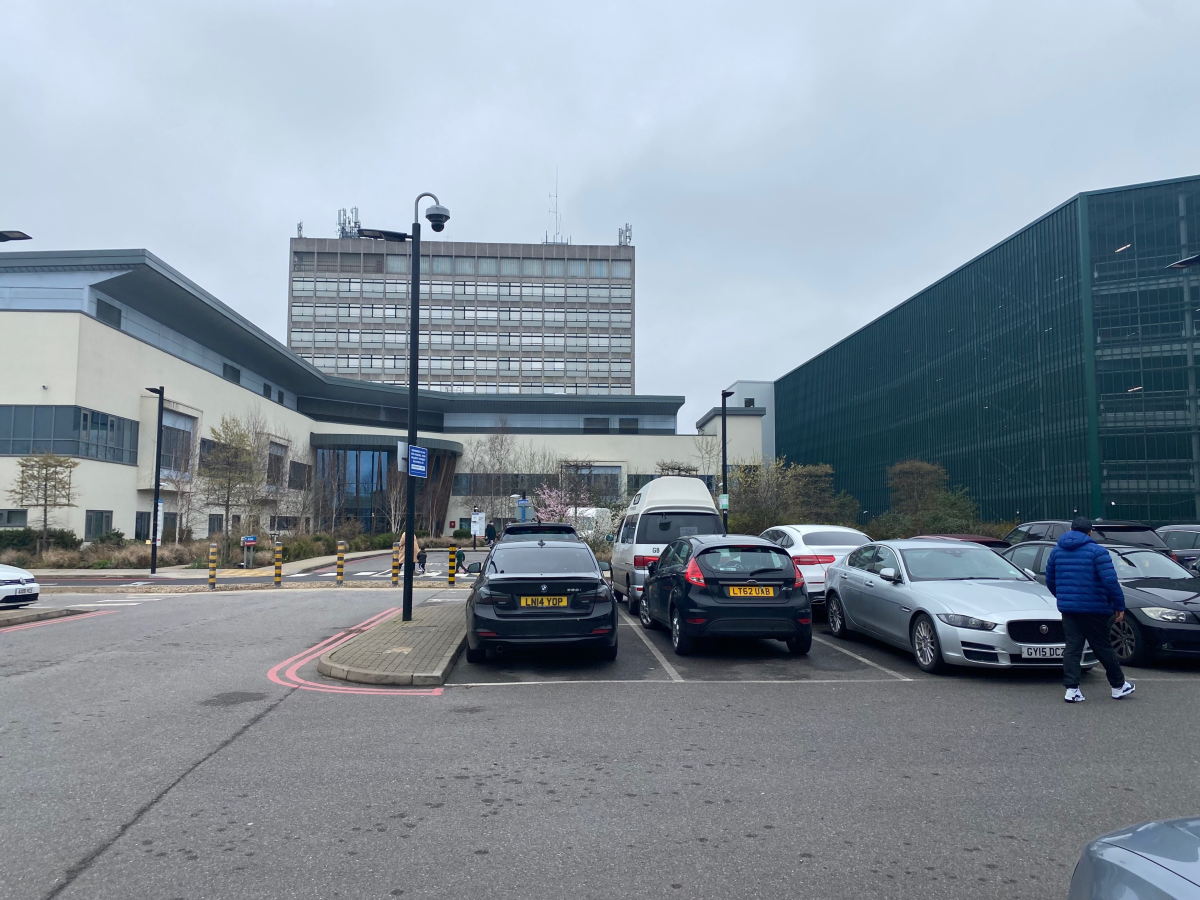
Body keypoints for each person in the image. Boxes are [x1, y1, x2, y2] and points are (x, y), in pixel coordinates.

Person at [1045, 516, 1136, 702]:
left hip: (1069, 609)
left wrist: (1063, 597)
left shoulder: (1057, 551)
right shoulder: (1098, 551)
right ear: (1090, 532)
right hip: (1095, 608)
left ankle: (1072, 689)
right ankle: (1118, 686)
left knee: (1072, 648)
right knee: (1102, 646)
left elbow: (1050, 579)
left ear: (1070, 529)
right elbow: (1110, 582)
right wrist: (1119, 605)